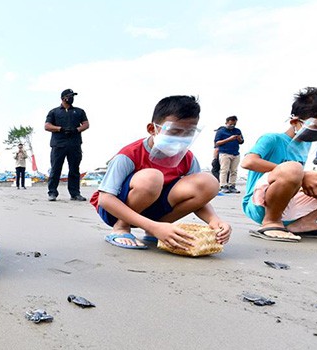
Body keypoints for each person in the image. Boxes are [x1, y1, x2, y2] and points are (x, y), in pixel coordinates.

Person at [90, 95, 232, 250]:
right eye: (175, 131)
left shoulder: (188, 158)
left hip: (155, 212)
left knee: (208, 182)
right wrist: (153, 226)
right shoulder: (129, 154)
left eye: (189, 133)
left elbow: (198, 196)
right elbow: (105, 199)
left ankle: (158, 229)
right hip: (116, 211)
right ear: (152, 129)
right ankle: (121, 228)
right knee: (152, 177)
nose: (181, 138)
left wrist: (214, 220)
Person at [240, 87, 317, 242]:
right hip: (260, 205)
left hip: (290, 206)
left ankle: (306, 222)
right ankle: (271, 222)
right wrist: (302, 175)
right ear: (295, 122)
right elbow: (248, 161)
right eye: (316, 127)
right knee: (294, 168)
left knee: (306, 173)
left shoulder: (306, 145)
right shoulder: (273, 139)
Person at [44, 89, 89, 201]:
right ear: (63, 98)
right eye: (70, 96)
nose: (72, 98)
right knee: (55, 169)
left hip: (74, 144)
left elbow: (86, 124)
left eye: (73, 96)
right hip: (58, 145)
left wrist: (77, 130)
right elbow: (47, 126)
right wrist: (60, 129)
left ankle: (75, 193)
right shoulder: (54, 112)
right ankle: (52, 193)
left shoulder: (79, 111)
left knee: (74, 169)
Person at [214, 115, 244, 193]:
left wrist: (239, 139)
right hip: (224, 153)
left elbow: (241, 142)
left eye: (234, 124)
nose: (232, 126)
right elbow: (217, 143)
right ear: (226, 123)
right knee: (224, 170)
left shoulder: (237, 131)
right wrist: (229, 139)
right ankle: (223, 186)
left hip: (235, 153)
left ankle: (232, 186)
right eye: (231, 124)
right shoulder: (221, 131)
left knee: (234, 171)